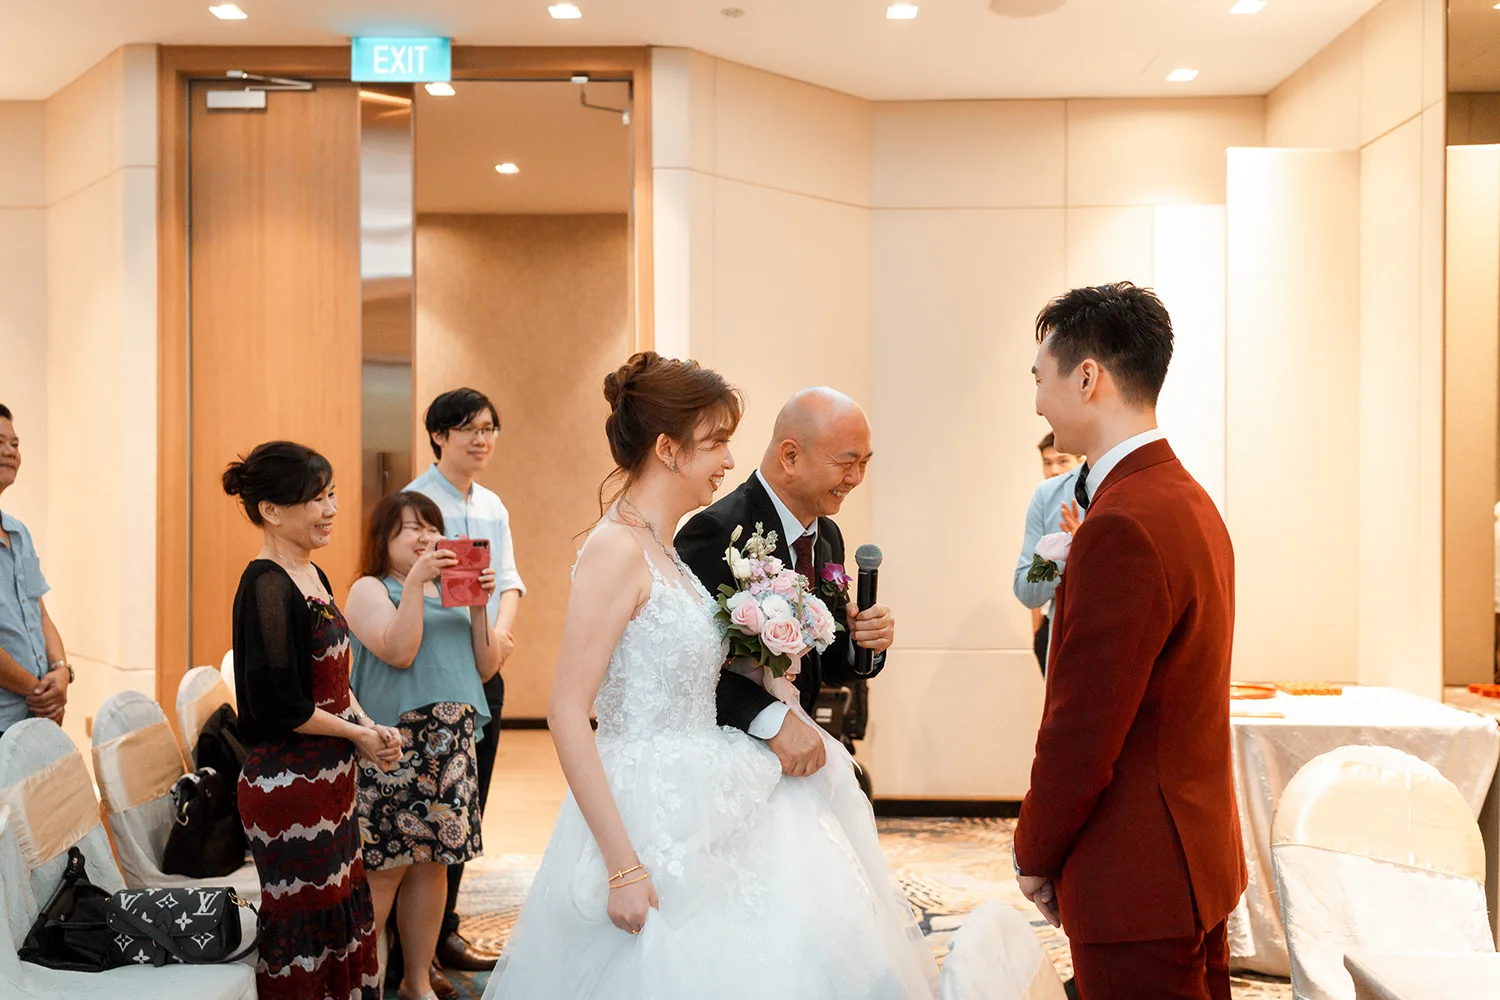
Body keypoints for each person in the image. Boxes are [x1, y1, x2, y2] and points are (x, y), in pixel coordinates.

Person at [485, 353, 937, 1000]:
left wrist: (777, 673)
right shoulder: (616, 549)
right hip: (646, 804)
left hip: (709, 786)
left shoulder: (660, 546)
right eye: (716, 443)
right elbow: (566, 711)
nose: (729, 460)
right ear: (668, 450)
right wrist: (621, 867)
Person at [1014, 283, 1246, 1000]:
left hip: (1135, 868)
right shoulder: (1185, 496)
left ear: (1087, 377)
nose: (1037, 404)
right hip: (1189, 855)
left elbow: (1083, 729)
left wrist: (1034, 851)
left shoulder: (1121, 523)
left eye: (1040, 378)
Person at [224, 440, 402, 1000]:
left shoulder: (314, 575)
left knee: (342, 917)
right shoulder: (267, 585)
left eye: (331, 495)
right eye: (314, 499)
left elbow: (332, 683)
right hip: (288, 791)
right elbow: (281, 705)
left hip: (331, 780)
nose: (330, 510)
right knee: (305, 932)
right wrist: (357, 736)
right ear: (272, 511)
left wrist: (368, 725)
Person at [676, 387, 896, 776]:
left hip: (799, 757)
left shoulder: (827, 536)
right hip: (729, 760)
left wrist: (864, 644)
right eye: (847, 463)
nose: (856, 478)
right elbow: (688, 670)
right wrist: (770, 720)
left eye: (864, 463)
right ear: (791, 456)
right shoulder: (717, 533)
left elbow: (822, 661)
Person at [345, 491, 503, 1000]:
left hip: (451, 743)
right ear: (383, 539)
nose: (425, 537)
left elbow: (486, 666)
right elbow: (398, 648)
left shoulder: (451, 591)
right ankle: (365, 985)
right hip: (393, 743)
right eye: (410, 528)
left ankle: (417, 984)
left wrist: (479, 607)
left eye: (431, 528)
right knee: (385, 870)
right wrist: (414, 583)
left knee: (434, 867)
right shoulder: (370, 588)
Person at [404, 387, 525, 979]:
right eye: (469, 429)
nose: (482, 439)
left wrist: (498, 640)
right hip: (433, 672)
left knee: (467, 808)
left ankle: (442, 932)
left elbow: (509, 580)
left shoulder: (493, 506)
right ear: (438, 435)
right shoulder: (416, 503)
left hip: (483, 666)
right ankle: (415, 949)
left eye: (490, 428)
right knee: (429, 810)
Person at [0, 404, 72, 737]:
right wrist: (40, 693)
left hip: (36, 717)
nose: (10, 451)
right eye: (0, 442)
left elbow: (40, 614)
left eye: (15, 444)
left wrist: (61, 671)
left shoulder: (20, 533)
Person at [1014, 432, 1084, 674]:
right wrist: (1038, 631)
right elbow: (1026, 585)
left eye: (1062, 461)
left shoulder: (1105, 491)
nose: (1054, 470)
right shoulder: (1044, 497)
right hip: (1054, 627)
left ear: (1081, 461)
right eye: (1047, 462)